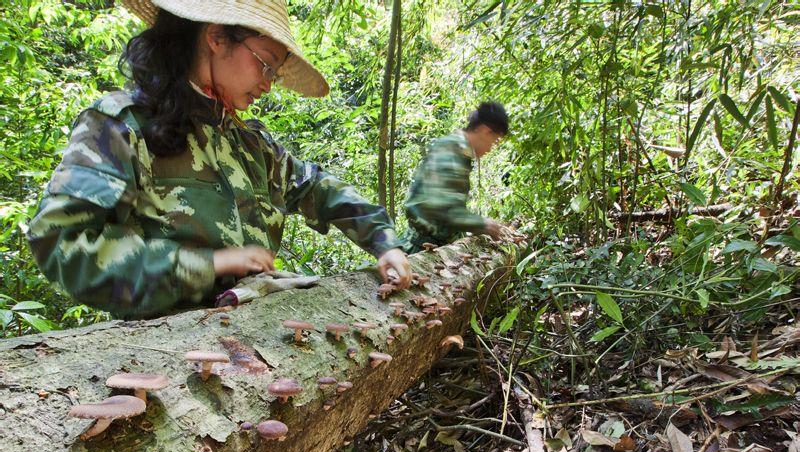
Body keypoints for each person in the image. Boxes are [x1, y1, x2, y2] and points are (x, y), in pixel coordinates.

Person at [27, 0, 411, 320]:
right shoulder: (123, 126)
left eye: (275, 73)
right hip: (171, 358)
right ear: (216, 37)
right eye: (266, 64)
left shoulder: (249, 143)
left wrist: (384, 241)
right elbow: (62, 243)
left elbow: (316, 186)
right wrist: (207, 264)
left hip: (260, 341)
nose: (268, 83)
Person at [403, 101, 509, 253]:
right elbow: (441, 209)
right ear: (485, 131)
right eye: (495, 141)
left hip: (440, 246)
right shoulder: (450, 150)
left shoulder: (460, 152)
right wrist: (482, 224)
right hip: (421, 249)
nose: (491, 148)